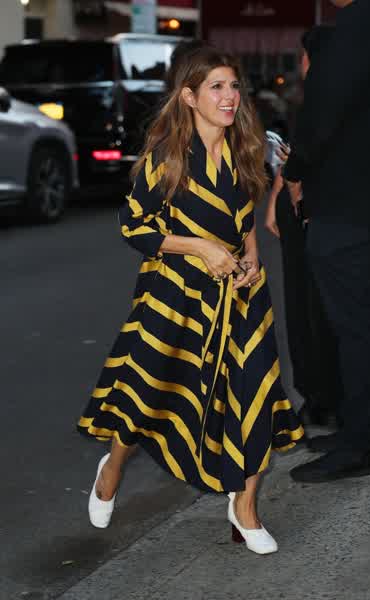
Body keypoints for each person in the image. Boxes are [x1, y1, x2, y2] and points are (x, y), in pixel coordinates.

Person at [78, 46, 303, 554]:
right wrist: (200, 247)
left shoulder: (245, 148)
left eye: (233, 86)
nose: (229, 97)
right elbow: (134, 227)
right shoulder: (167, 157)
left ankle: (244, 506)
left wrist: (251, 257)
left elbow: (243, 219)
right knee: (149, 392)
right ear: (188, 96)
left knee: (255, 391)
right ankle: (112, 467)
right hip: (175, 296)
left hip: (241, 297)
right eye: (216, 87)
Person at [283, 0, 370, 483]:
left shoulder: (362, 23)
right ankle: (364, 429)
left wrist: (294, 170)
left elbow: (324, 108)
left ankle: (359, 444)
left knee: (357, 325)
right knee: (364, 321)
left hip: (349, 201)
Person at [265, 25, 340, 428]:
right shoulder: (329, 96)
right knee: (310, 306)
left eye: (303, 55)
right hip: (306, 207)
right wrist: (278, 194)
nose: (301, 63)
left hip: (312, 208)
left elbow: (304, 159)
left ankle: (320, 398)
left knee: (311, 308)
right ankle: (319, 396)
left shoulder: (323, 97)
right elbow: (295, 154)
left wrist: (289, 192)